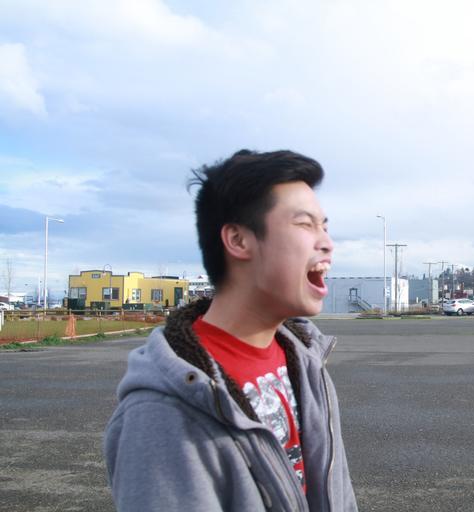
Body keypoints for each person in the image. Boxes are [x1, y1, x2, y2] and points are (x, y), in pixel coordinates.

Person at [104, 149, 358, 511]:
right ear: (238, 241)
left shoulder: (307, 360)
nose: (327, 243)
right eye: (305, 224)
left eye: (325, 226)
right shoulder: (162, 415)